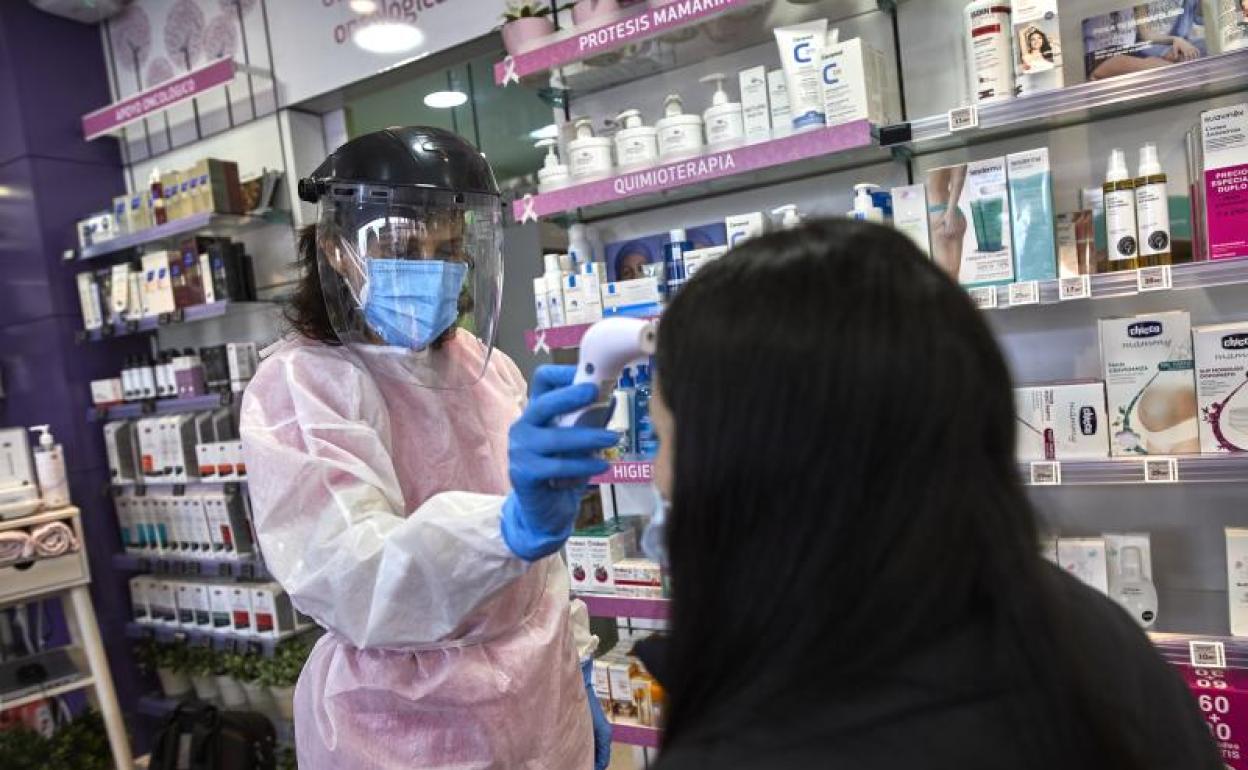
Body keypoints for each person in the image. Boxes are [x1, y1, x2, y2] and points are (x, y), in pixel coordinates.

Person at [640, 220, 1221, 769]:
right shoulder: (1098, 640)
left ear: (744, 466)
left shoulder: (750, 738)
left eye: (664, 438)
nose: (659, 478)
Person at [239, 126, 616, 770]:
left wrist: (578, 661)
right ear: (335, 249)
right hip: (404, 729)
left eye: (448, 250)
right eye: (402, 248)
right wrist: (504, 529)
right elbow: (351, 576)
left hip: (542, 702)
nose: (430, 270)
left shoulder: (483, 367)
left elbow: (541, 573)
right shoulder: (304, 386)